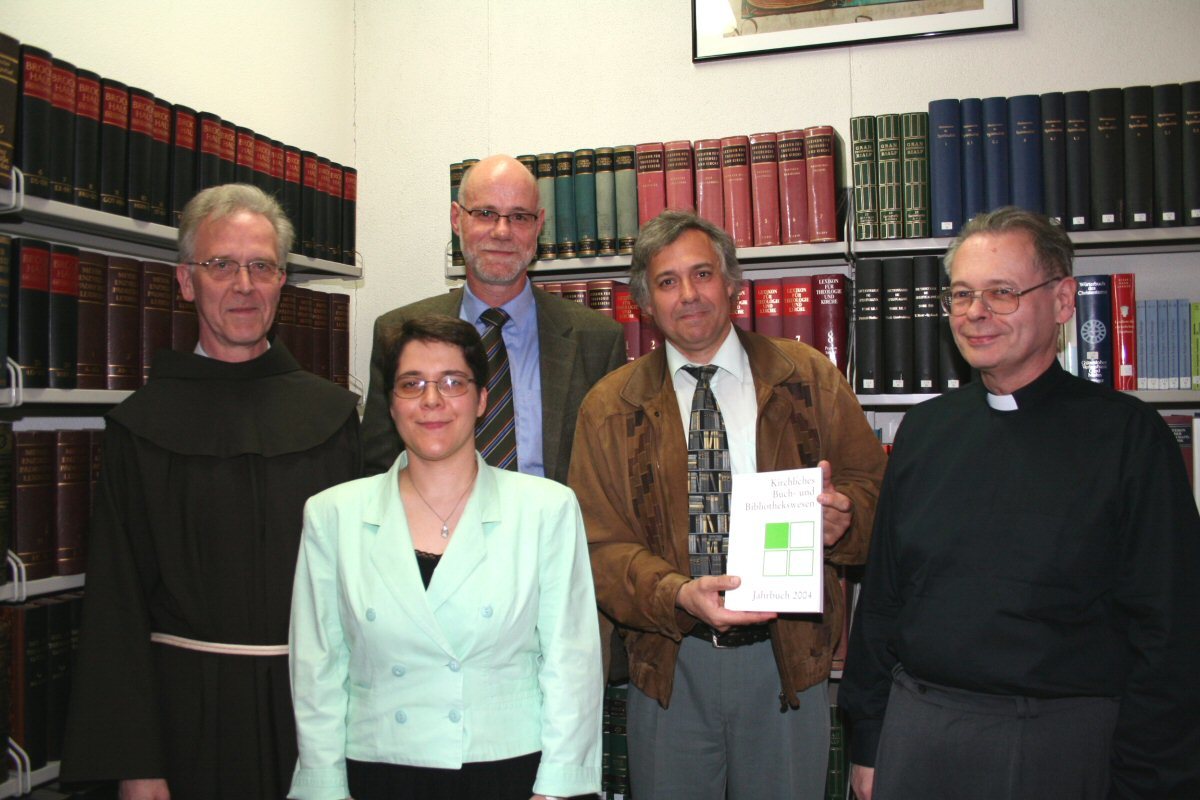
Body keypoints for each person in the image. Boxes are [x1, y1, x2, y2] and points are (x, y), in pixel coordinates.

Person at [839, 207, 1200, 800]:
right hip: (919, 732)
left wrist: (1145, 778)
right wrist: (869, 739)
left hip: (1059, 744)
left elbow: (1169, 637)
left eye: (1002, 293)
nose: (976, 313)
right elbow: (882, 603)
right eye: (962, 294)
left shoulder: (1130, 439)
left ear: (1062, 302)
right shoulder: (924, 432)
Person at [569, 210, 886, 800]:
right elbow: (597, 549)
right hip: (670, 662)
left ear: (732, 285)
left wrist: (845, 518)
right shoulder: (610, 407)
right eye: (667, 282)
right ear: (644, 302)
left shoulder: (808, 377)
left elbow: (874, 492)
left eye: (702, 274)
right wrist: (677, 595)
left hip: (787, 660)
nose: (688, 295)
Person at [60, 184, 363, 800]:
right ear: (186, 280)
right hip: (181, 724)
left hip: (314, 714)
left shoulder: (333, 417)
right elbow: (116, 610)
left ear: (284, 281)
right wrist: (137, 765)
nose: (243, 284)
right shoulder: (139, 426)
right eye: (220, 264)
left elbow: (361, 594)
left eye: (261, 266)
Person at [289, 314, 602, 800]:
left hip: (508, 771)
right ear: (391, 404)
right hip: (377, 769)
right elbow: (318, 670)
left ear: (481, 400)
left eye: (452, 382)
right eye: (412, 384)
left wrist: (559, 786)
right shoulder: (333, 515)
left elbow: (571, 662)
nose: (431, 400)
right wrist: (323, 787)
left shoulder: (546, 508)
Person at [360, 153, 626, 482]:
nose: (502, 231)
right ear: (457, 220)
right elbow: (377, 470)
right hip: (433, 528)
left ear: (539, 225)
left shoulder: (597, 340)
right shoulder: (396, 333)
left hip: (552, 530)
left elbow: (614, 476)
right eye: (486, 213)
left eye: (519, 217)